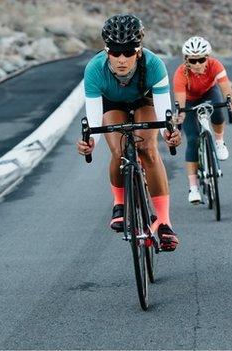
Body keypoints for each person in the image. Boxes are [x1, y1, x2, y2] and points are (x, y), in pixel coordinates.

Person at [76, 14, 182, 251]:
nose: (122, 59)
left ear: (139, 50)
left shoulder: (154, 64)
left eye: (128, 52)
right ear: (106, 51)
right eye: (115, 52)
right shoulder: (94, 69)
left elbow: (165, 112)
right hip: (111, 103)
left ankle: (164, 221)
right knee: (119, 151)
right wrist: (90, 140)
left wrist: (170, 132)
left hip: (144, 100)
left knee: (148, 150)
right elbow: (93, 118)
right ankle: (119, 204)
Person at [172, 36, 232, 204]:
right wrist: (180, 115)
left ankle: (219, 142)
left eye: (201, 60)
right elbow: (180, 104)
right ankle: (193, 187)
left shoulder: (216, 65)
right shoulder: (180, 73)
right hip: (189, 100)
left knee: (218, 108)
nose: (197, 64)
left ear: (207, 58)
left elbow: (226, 90)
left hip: (209, 93)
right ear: (186, 60)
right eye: (192, 60)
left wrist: (231, 100)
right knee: (193, 139)